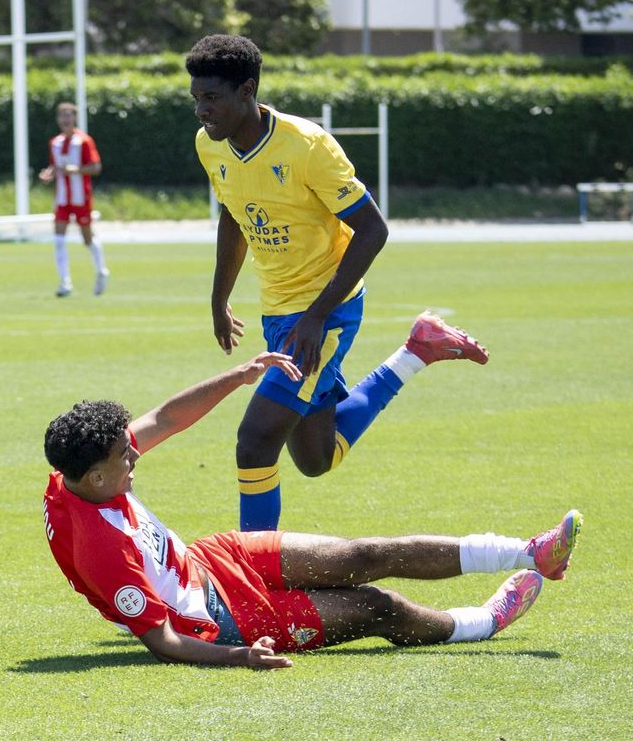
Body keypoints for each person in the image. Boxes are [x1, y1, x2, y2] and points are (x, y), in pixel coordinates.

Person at [42, 344, 582, 669]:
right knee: (378, 607)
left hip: (213, 559)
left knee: (363, 554)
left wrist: (236, 377)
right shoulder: (103, 549)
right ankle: (482, 622)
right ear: (94, 476)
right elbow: (162, 641)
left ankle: (532, 554)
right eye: (123, 455)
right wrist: (239, 655)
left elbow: (163, 418)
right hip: (222, 618)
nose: (134, 452)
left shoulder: (82, 470)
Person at [186, 34, 487, 532]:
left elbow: (373, 229)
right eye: (196, 98)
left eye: (211, 98)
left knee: (255, 438)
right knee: (316, 457)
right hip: (281, 311)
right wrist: (219, 298)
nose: (202, 110)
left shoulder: (307, 147)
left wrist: (317, 316)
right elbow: (234, 216)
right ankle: (416, 351)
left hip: (327, 309)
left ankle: (257, 577)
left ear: (248, 90)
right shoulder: (210, 147)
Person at [37, 101, 108, 297]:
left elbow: (95, 167)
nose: (65, 119)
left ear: (74, 118)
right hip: (62, 198)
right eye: (62, 116)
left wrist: (74, 170)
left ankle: (102, 270)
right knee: (59, 239)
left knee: (87, 238)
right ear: (58, 119)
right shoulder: (55, 142)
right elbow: (54, 167)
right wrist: (48, 174)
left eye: (69, 115)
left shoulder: (84, 141)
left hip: (80, 197)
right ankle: (65, 283)